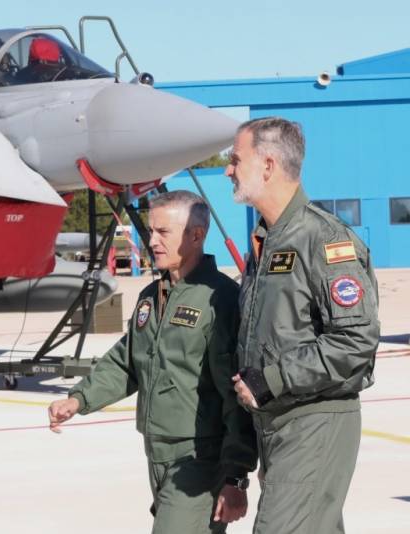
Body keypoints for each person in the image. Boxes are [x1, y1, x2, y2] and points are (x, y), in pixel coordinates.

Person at [48, 191, 257, 533]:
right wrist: (79, 399)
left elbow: (237, 394)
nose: (152, 241)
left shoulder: (220, 300)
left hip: (199, 456)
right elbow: (127, 360)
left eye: (163, 232)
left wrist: (236, 474)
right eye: (150, 231)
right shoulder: (152, 297)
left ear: (196, 235)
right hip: (156, 451)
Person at [225, 117, 379, 533]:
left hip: (314, 420)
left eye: (235, 160)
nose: (227, 170)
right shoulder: (268, 241)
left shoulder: (324, 240)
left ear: (268, 165)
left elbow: (355, 340)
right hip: (275, 423)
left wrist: (271, 379)